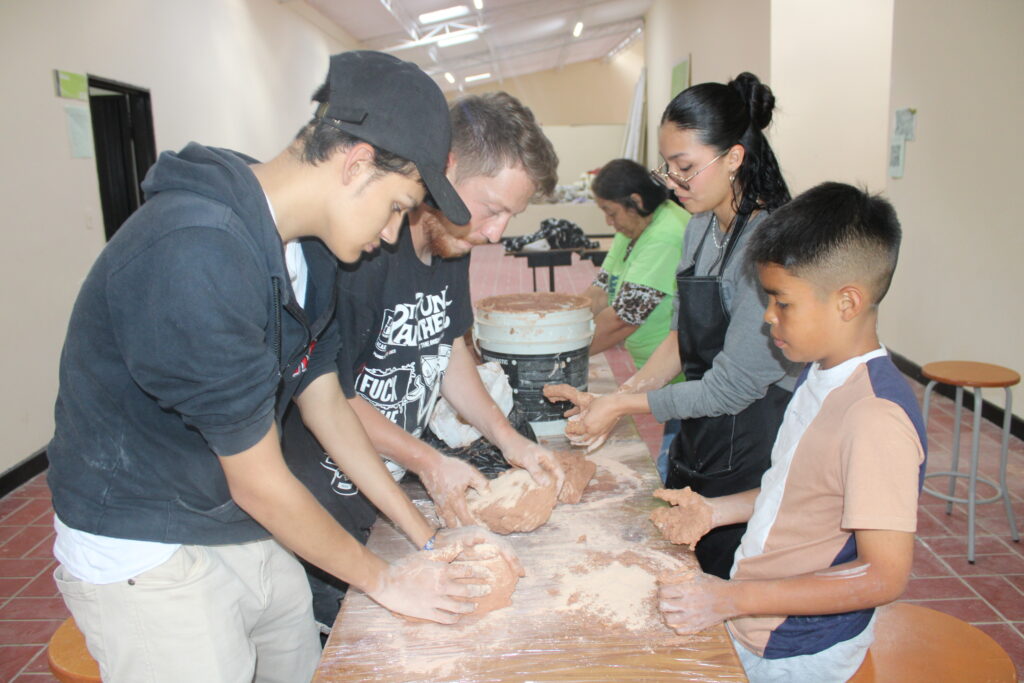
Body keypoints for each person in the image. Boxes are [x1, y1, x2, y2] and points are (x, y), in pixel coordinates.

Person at [46, 51, 519, 683]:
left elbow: (322, 395)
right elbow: (259, 480)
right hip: (148, 539)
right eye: (397, 206)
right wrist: (385, 581)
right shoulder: (195, 253)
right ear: (356, 165)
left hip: (230, 514)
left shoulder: (308, 251)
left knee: (294, 660)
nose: (388, 235)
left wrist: (424, 538)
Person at [281, 91, 563, 629]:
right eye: (494, 208)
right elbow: (330, 398)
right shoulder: (359, 247)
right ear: (446, 170)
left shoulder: (452, 241)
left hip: (385, 496)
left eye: (511, 215)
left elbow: (446, 347)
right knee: (337, 641)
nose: (497, 231)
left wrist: (508, 439)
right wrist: (428, 462)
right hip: (321, 502)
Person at [655, 182, 926, 683]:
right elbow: (797, 490)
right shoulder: (819, 374)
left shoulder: (873, 418)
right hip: (760, 618)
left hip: (798, 650)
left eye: (782, 302)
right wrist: (716, 510)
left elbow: (883, 576)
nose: (768, 316)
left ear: (847, 302)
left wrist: (731, 598)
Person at [547, 73, 799, 578]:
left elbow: (732, 388)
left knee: (726, 577)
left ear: (733, 157)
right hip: (699, 429)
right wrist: (624, 395)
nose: (672, 182)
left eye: (685, 167)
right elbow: (683, 339)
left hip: (753, 440)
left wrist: (623, 402)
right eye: (668, 167)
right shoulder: (701, 226)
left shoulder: (770, 244)